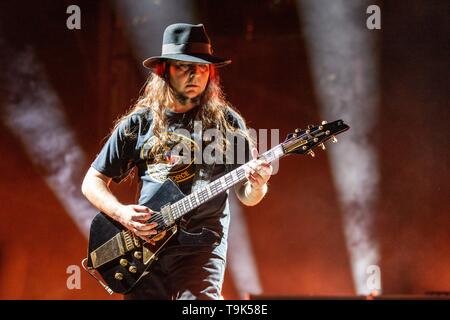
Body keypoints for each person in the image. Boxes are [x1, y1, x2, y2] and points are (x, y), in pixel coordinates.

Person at [81, 23, 272, 300]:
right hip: (144, 245)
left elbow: (248, 195)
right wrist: (121, 214)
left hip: (201, 248)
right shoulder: (139, 123)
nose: (196, 74)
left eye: (203, 67)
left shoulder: (228, 124)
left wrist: (259, 184)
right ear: (164, 70)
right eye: (185, 66)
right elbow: (92, 181)